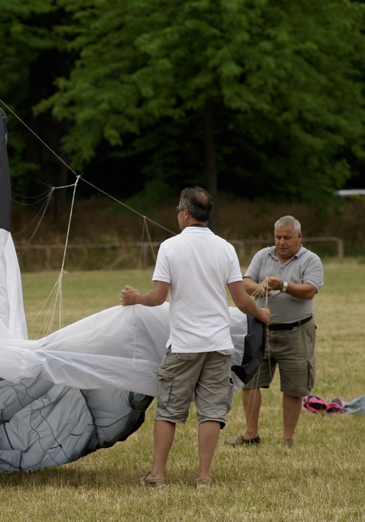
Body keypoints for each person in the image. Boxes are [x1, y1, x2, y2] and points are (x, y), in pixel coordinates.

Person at [120, 187, 270, 488]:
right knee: (211, 411)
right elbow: (241, 301)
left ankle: (157, 475)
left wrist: (136, 297)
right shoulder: (226, 248)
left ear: (186, 213)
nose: (177, 214)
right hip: (218, 345)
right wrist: (260, 314)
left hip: (184, 345)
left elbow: (158, 296)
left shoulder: (170, 247)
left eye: (178, 210)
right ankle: (203, 476)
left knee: (168, 410)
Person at [226, 215, 324, 448]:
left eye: (287, 237)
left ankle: (287, 438)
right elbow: (245, 282)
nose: (281, 242)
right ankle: (251, 435)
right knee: (250, 381)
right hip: (260, 329)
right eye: (278, 237)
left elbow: (310, 290)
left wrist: (284, 286)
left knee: (294, 386)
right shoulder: (263, 255)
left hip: (296, 331)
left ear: (299, 237)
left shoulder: (311, 260)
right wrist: (261, 287)